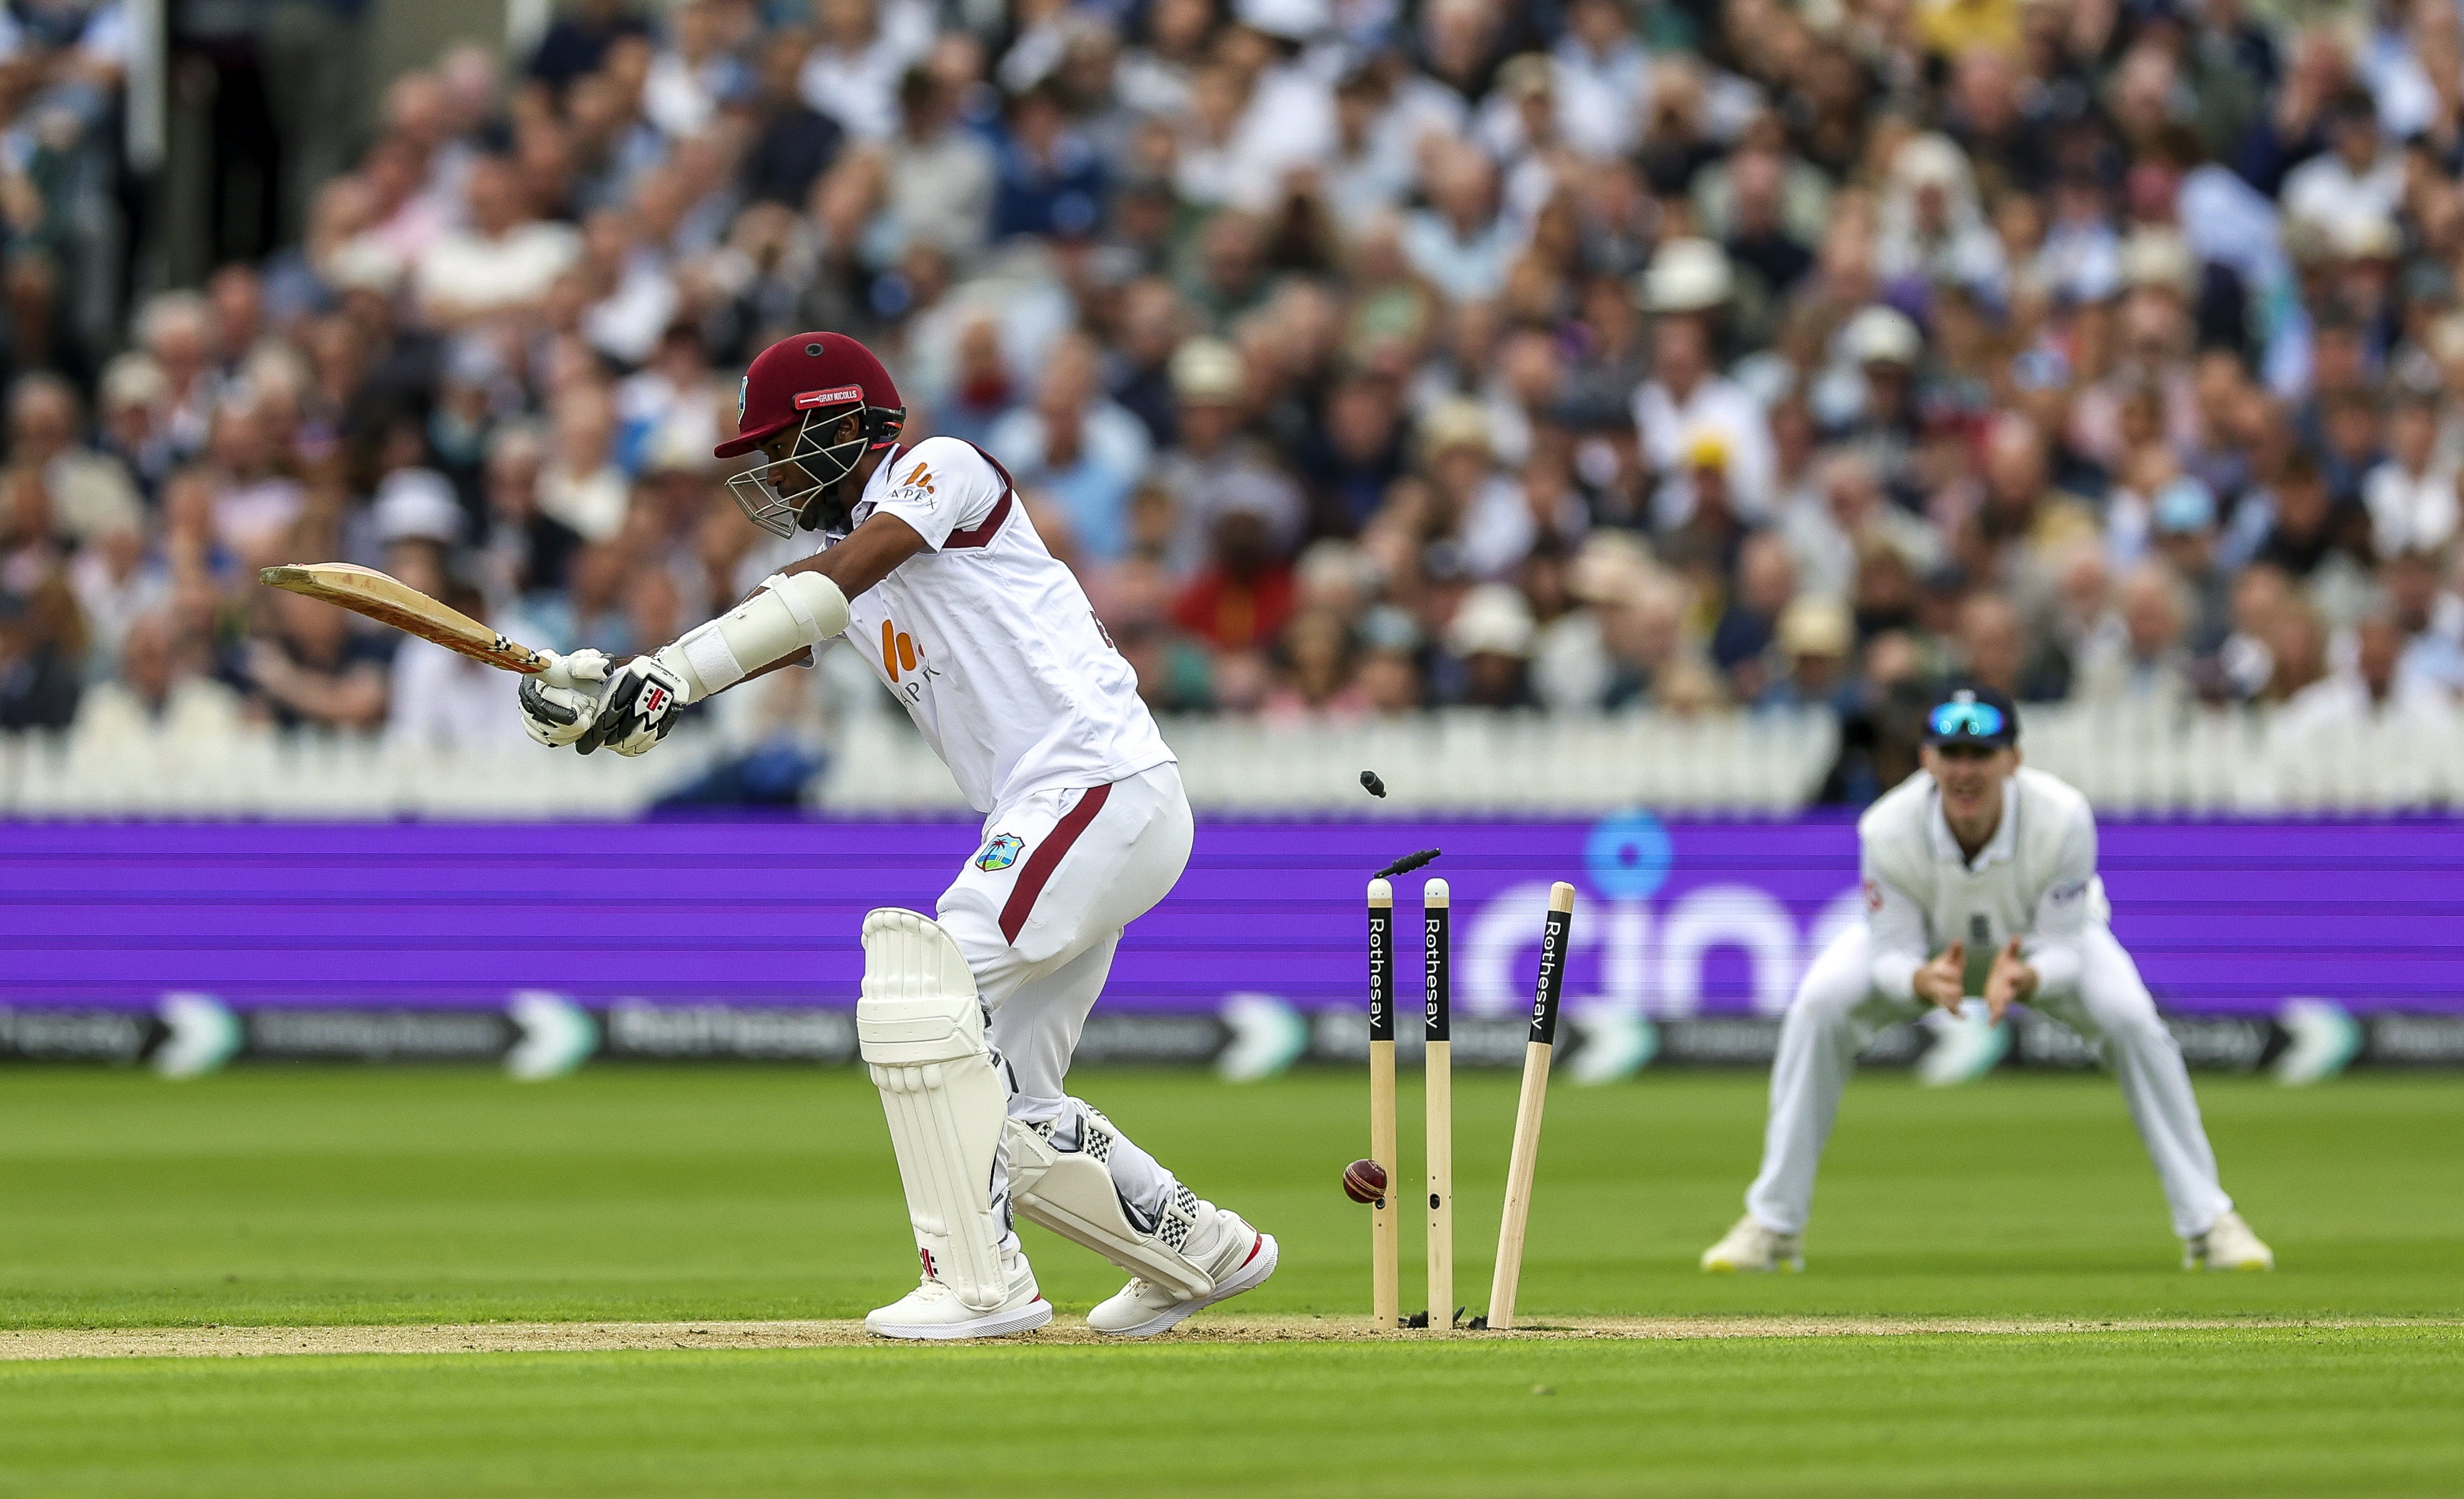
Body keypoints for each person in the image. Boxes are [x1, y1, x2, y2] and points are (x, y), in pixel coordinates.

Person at [515, 331, 1277, 1339]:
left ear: (841, 426)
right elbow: (783, 614)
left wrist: (671, 673)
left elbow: (832, 581)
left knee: (924, 990)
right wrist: (617, 685)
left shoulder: (938, 467)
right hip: (1072, 810)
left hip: (1094, 785)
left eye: (781, 444)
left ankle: (981, 1285)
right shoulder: (842, 566)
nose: (771, 472)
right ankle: (1197, 1248)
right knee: (997, 1092)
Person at [1700, 685, 2274, 1274]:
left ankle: (2209, 1222)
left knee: (2133, 1023)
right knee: (1818, 1006)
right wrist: (1920, 983)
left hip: (2038, 947)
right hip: (1927, 949)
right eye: (1951, 754)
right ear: (1926, 760)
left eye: (1982, 755)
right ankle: (1772, 1224)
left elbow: (2067, 945)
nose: (1965, 771)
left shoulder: (2063, 817)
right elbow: (1888, 951)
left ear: (2012, 760)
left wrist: (2028, 977)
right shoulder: (1885, 829)